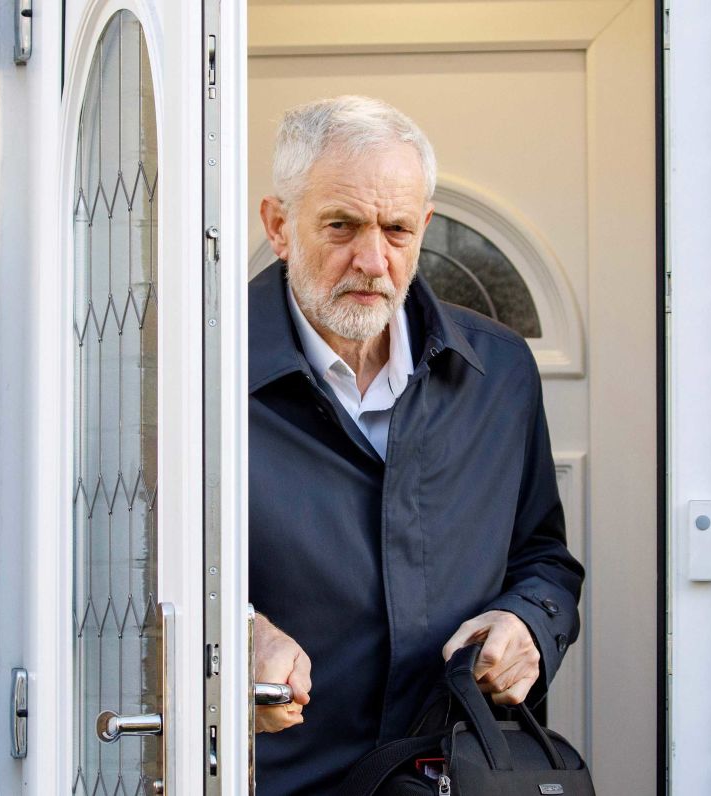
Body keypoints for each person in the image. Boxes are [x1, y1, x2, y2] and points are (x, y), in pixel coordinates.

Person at [248, 95, 585, 795]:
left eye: (397, 229)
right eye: (341, 225)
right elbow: (127, 580)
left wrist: (527, 623)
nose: (373, 259)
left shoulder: (501, 373)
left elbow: (545, 561)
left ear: (424, 226)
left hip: (451, 778)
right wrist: (231, 637)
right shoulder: (195, 376)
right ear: (279, 225)